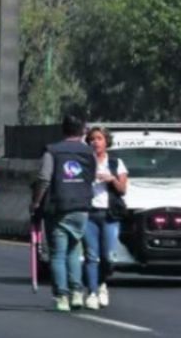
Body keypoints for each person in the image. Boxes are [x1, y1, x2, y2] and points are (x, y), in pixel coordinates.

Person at [30, 114, 96, 312]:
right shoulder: (88, 152)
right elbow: (90, 177)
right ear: (82, 130)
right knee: (74, 250)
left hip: (58, 207)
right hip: (82, 207)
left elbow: (44, 179)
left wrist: (36, 202)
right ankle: (77, 293)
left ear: (63, 129)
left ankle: (62, 296)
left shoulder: (52, 151)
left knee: (58, 254)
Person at [83, 126, 128, 310]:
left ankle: (102, 284)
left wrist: (111, 179)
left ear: (106, 141)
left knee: (108, 256)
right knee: (91, 256)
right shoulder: (85, 162)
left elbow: (123, 189)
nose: (96, 142)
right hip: (89, 213)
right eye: (92, 139)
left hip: (110, 215)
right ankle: (92, 292)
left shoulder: (116, 163)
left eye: (99, 138)